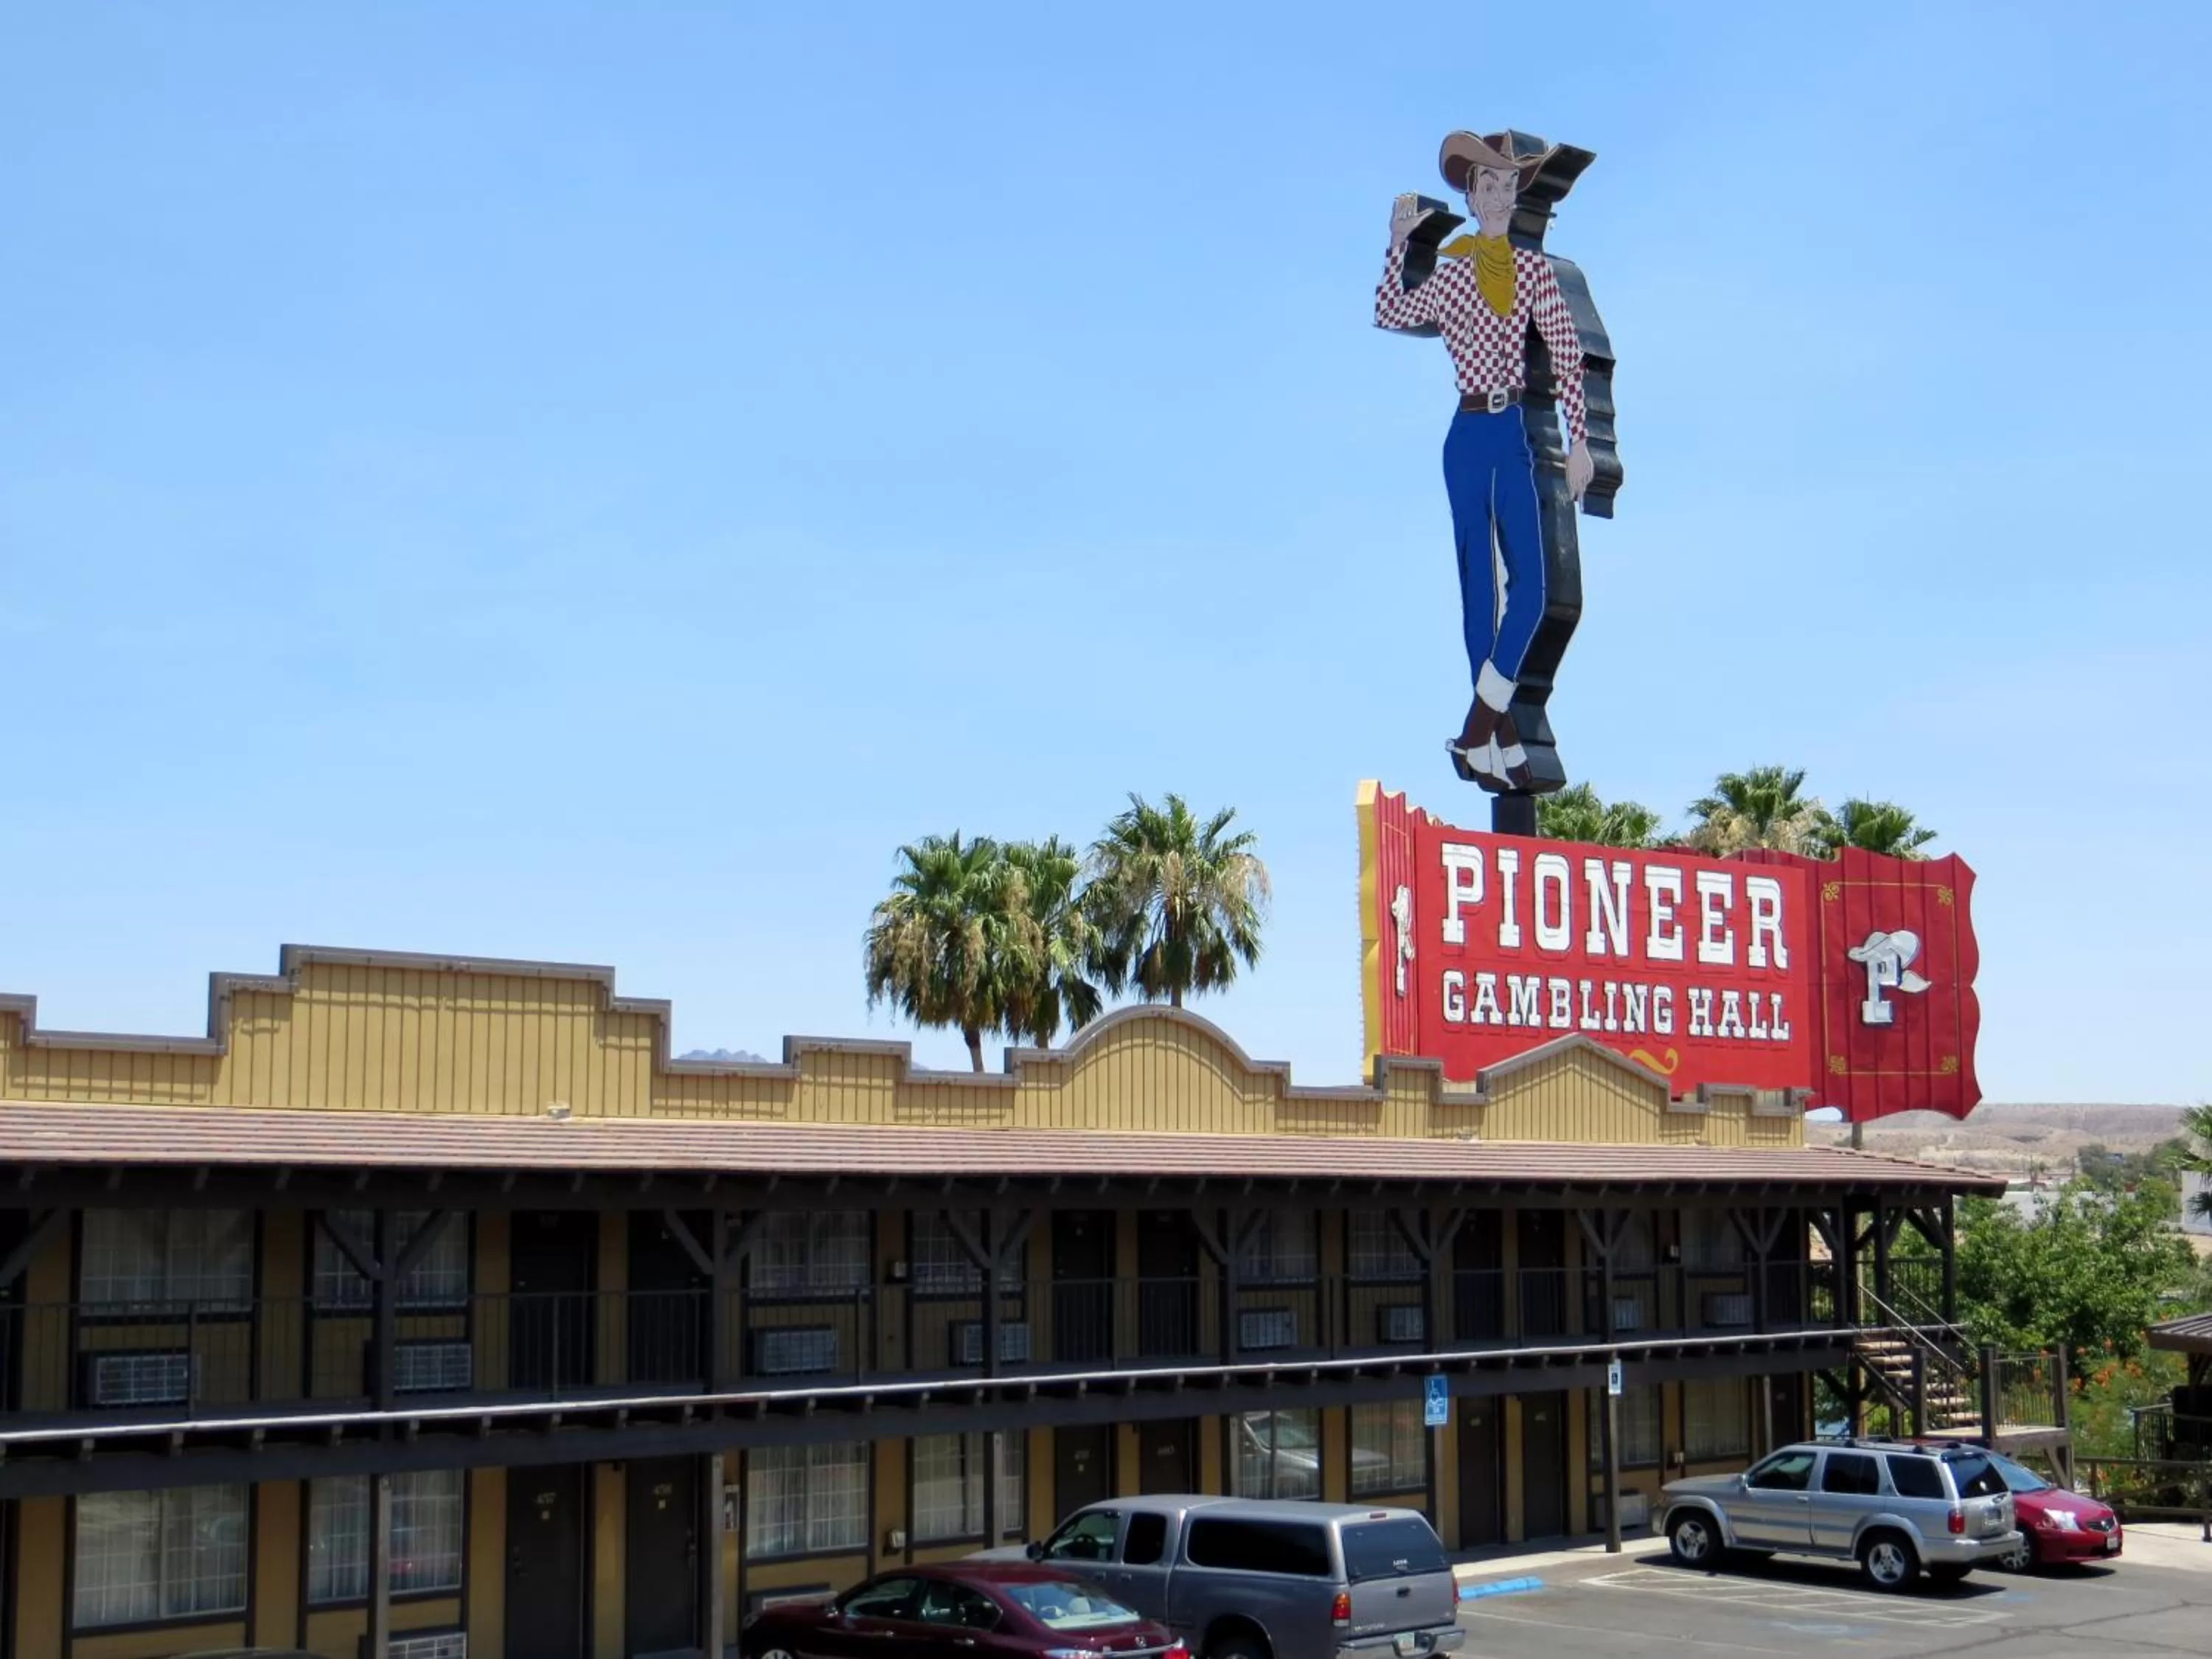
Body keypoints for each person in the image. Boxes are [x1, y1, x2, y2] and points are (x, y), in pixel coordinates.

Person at [1374, 131, 1594, 791]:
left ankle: (1477, 730)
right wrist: (1397, 244)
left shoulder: (1533, 274)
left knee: (1532, 585)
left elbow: (1566, 353)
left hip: (1511, 431)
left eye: (1507, 185)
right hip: (1466, 435)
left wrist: (1580, 439)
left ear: (1516, 195)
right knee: (1478, 587)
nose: (1498, 195)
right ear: (1471, 197)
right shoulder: (1451, 273)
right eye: (1487, 185)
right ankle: (1495, 747)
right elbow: (1389, 311)